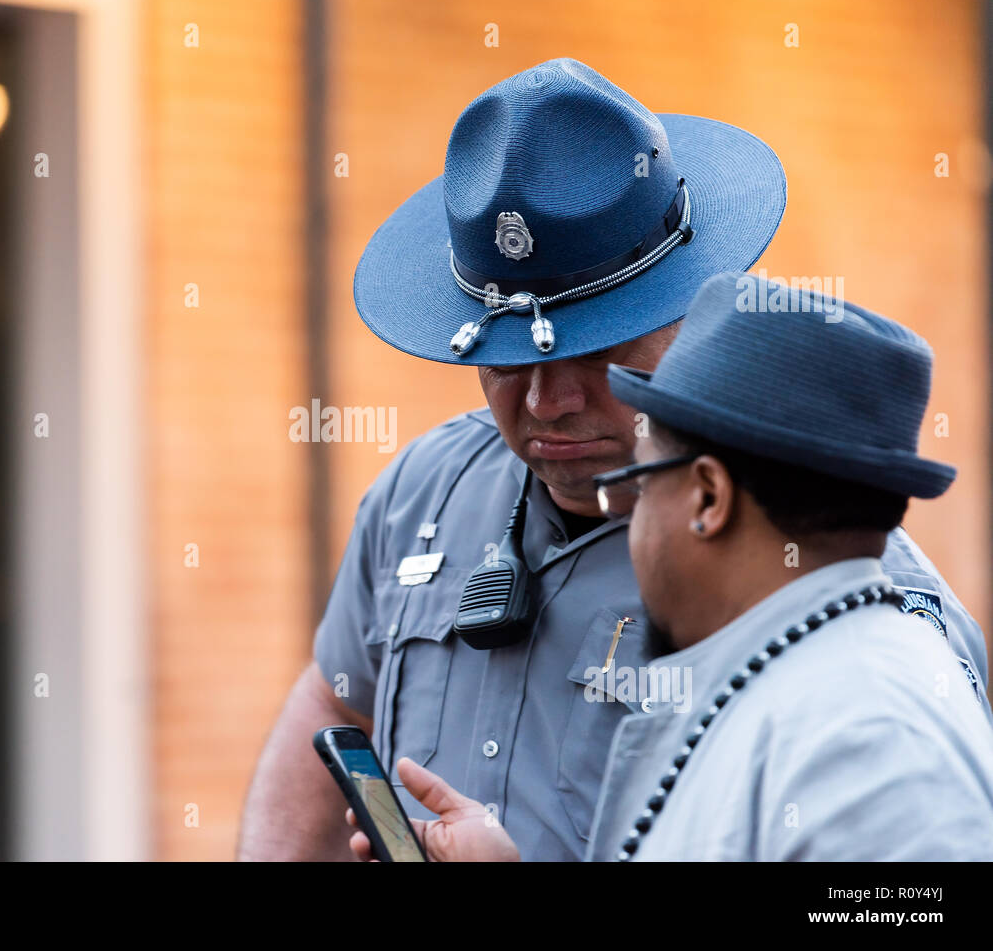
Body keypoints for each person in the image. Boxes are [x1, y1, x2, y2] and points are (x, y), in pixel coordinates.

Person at [237, 59, 988, 861]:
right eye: (506, 361)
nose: (546, 402)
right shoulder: (423, 490)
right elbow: (334, 698)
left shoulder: (835, 610)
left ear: (691, 309)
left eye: (598, 353)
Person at [345, 271, 993, 861]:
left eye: (638, 480)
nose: (622, 513)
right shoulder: (787, 678)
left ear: (709, 497)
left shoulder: (873, 732)